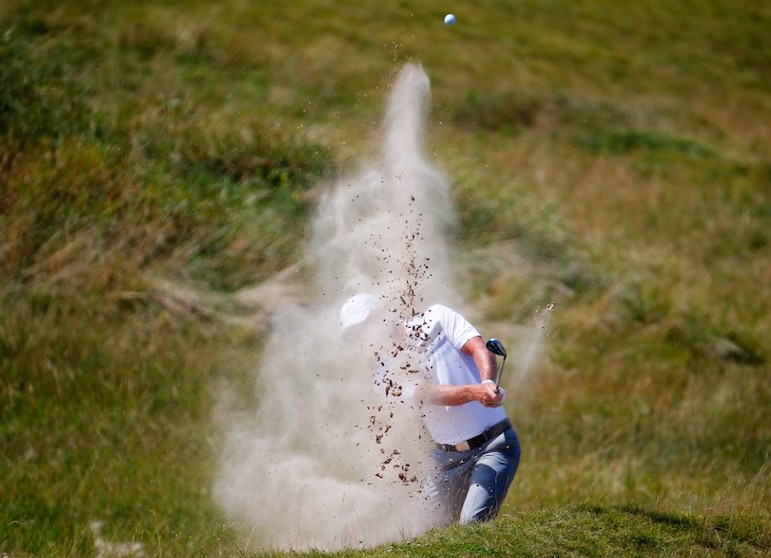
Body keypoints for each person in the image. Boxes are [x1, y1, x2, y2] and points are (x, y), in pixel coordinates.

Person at [340, 293, 521, 525]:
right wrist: (476, 392)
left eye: (365, 327)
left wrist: (487, 383)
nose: (364, 339)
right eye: (356, 336)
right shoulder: (383, 378)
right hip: (446, 461)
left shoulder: (436, 317)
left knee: (471, 524)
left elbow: (478, 347)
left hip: (494, 445)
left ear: (383, 316)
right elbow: (429, 394)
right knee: (423, 536)